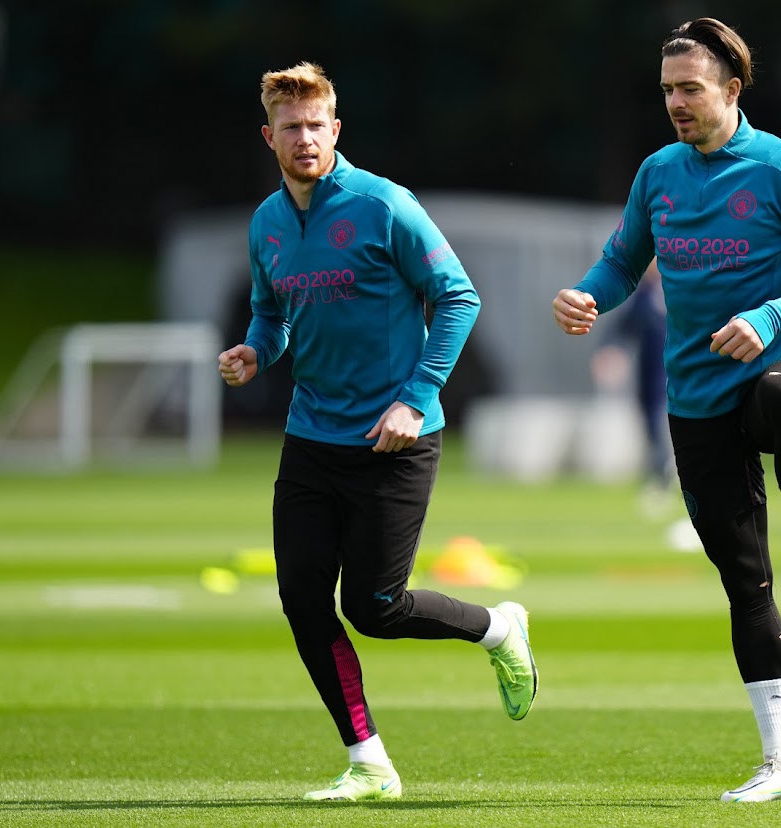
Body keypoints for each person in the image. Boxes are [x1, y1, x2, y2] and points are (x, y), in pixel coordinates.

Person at [553, 18, 781, 803]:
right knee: (743, 586)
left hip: (771, 372)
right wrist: (589, 293)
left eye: (688, 88)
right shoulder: (658, 172)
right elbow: (624, 259)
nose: (675, 104)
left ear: (731, 89)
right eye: (666, 91)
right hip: (693, 407)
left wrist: (768, 317)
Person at [219, 62, 537, 803]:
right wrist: (254, 350)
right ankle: (369, 763)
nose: (304, 138)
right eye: (290, 127)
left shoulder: (384, 204)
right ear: (269, 136)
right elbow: (272, 314)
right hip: (310, 438)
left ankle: (498, 627)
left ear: (336, 129)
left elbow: (459, 297)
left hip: (395, 438)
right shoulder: (266, 223)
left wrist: (416, 398)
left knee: (375, 607)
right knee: (302, 600)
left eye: (316, 124)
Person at [588, 261, 673, 489]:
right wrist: (612, 351)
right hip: (650, 371)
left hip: (679, 369)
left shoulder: (680, 290)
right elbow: (624, 327)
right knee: (651, 417)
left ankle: (672, 469)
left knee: (672, 417)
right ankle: (661, 471)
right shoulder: (644, 294)